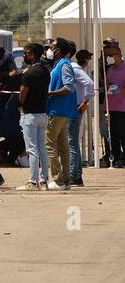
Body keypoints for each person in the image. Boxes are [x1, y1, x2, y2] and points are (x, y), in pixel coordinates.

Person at [18, 39, 52, 190]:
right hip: (43, 113)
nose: (25, 56)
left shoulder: (29, 73)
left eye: (26, 53)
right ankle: (44, 180)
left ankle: (33, 181)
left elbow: (22, 94)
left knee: (32, 149)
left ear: (32, 55)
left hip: (29, 114)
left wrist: (21, 104)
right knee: (42, 149)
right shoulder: (46, 72)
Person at [45, 37, 77, 190]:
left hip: (57, 111)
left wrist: (51, 94)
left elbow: (68, 87)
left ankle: (57, 179)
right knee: (63, 147)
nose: (50, 49)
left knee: (50, 145)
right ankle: (65, 180)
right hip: (62, 111)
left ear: (59, 50)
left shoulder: (63, 65)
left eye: (52, 47)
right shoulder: (60, 65)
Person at [67, 48, 96, 187]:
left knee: (71, 142)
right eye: (89, 59)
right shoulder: (77, 69)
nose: (89, 62)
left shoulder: (75, 69)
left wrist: (85, 101)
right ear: (84, 59)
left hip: (75, 107)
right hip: (76, 106)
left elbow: (89, 84)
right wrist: (86, 100)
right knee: (73, 142)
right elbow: (90, 83)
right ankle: (76, 174)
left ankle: (74, 174)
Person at [104, 40, 125, 168]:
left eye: (112, 56)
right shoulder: (110, 69)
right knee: (113, 134)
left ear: (119, 54)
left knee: (123, 133)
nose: (111, 59)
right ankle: (116, 158)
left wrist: (120, 90)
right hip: (110, 106)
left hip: (122, 107)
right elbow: (107, 83)